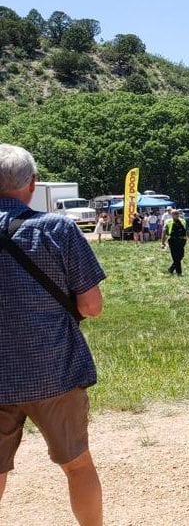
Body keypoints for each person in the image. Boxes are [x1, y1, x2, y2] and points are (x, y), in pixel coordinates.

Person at [0, 143, 106, 525]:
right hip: (53, 370)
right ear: (32, 184)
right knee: (77, 466)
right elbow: (92, 305)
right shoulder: (57, 228)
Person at [161, 209, 189, 275]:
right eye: (175, 214)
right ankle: (179, 272)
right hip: (172, 240)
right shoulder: (168, 221)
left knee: (181, 255)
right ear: (172, 215)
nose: (177, 215)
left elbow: (187, 230)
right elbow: (164, 232)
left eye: (177, 214)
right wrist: (162, 242)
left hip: (182, 240)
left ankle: (171, 269)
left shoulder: (183, 221)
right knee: (175, 256)